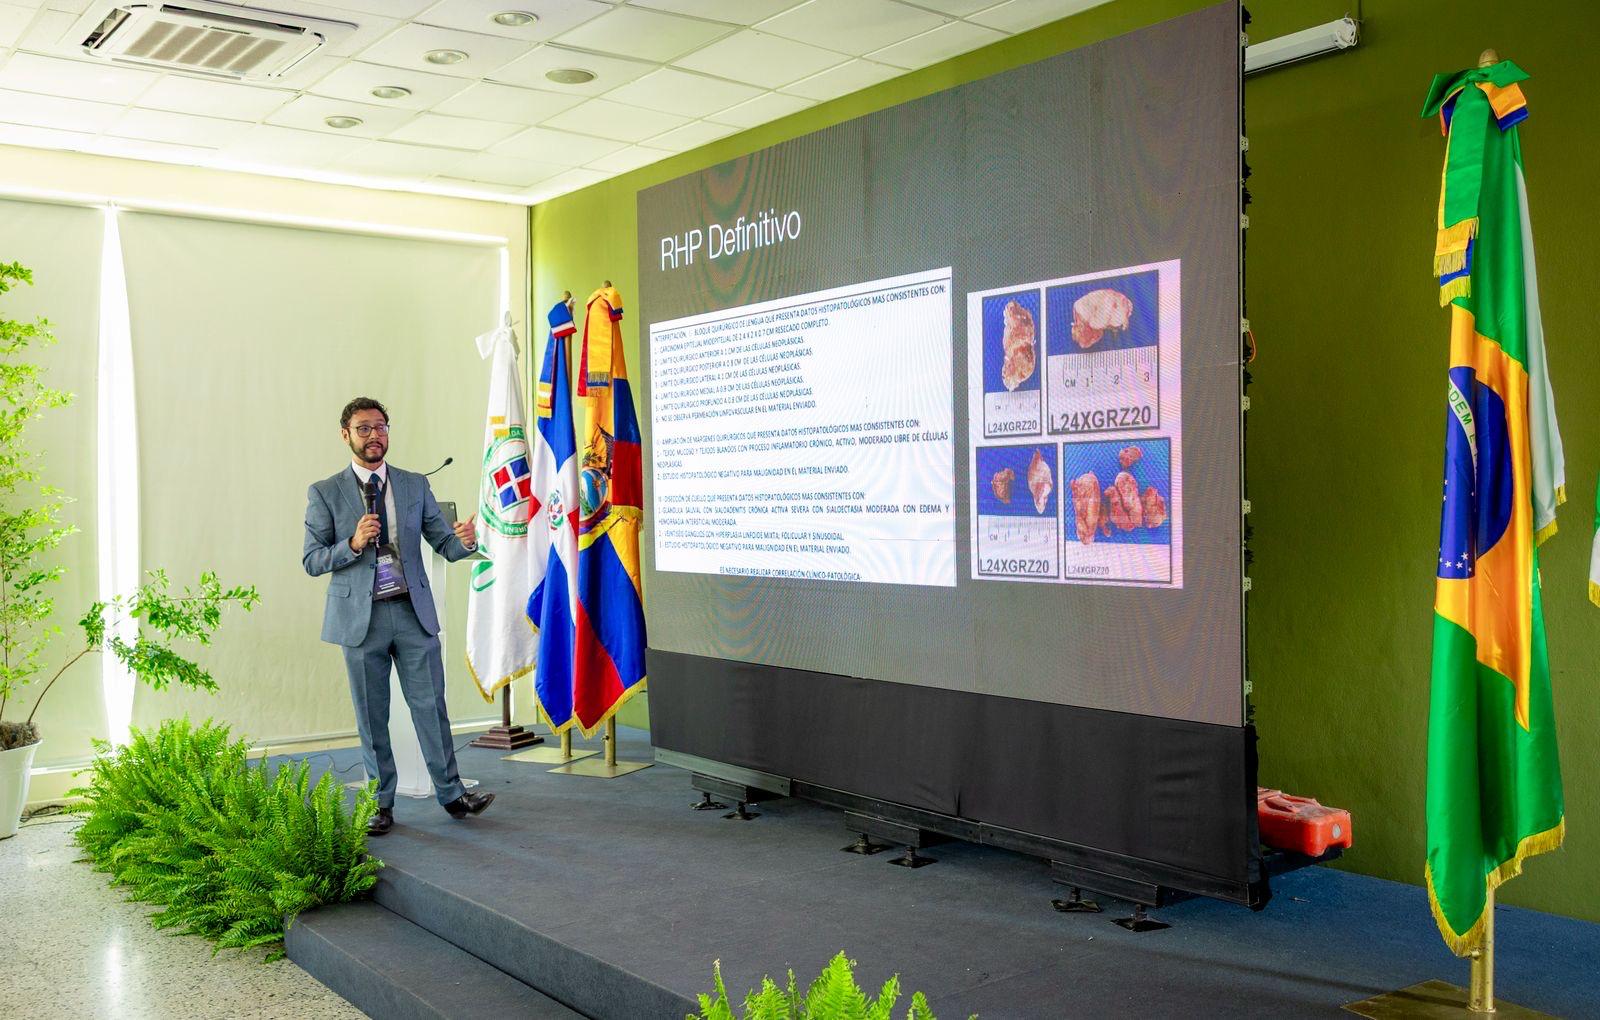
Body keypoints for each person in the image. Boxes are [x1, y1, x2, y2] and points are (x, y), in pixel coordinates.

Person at [302, 397, 493, 836]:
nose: (375, 436)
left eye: (381, 427)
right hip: (360, 618)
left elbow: (443, 542)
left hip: (411, 613)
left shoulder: (413, 484)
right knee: (372, 716)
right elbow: (312, 560)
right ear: (346, 435)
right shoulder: (324, 492)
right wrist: (352, 544)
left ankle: (453, 794)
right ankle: (380, 804)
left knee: (431, 706)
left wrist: (464, 541)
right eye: (364, 428)